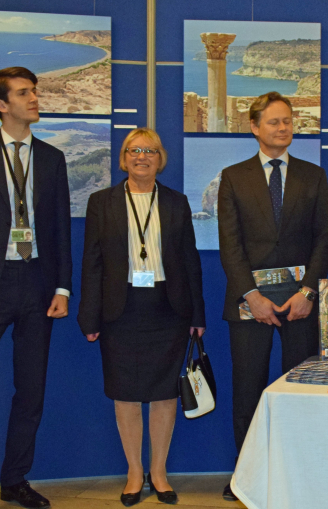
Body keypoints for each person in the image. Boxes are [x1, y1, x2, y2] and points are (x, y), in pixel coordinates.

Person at [77, 128, 205, 507]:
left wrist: (198, 313)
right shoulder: (102, 202)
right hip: (120, 309)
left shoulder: (177, 202)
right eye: (134, 151)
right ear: (124, 158)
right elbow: (92, 262)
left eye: (149, 150)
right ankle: (135, 471)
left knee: (166, 394)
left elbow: (190, 262)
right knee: (126, 395)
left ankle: (159, 472)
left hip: (168, 309)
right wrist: (90, 316)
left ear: (159, 158)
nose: (142, 157)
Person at [218, 92, 328, 501]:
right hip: (252, 302)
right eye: (274, 122)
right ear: (255, 127)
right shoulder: (233, 176)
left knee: (300, 390)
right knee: (247, 390)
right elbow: (229, 245)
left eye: (288, 121)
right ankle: (245, 478)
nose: (283, 128)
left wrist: (308, 293)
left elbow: (324, 239)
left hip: (300, 303)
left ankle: (298, 473)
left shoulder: (313, 176)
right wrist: (251, 295)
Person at [0, 67, 71, 509]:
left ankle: (14, 478)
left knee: (31, 389)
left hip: (38, 282)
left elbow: (61, 227)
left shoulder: (51, 158)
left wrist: (62, 287)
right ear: (2, 104)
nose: (35, 99)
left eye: (35, 92)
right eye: (25, 93)